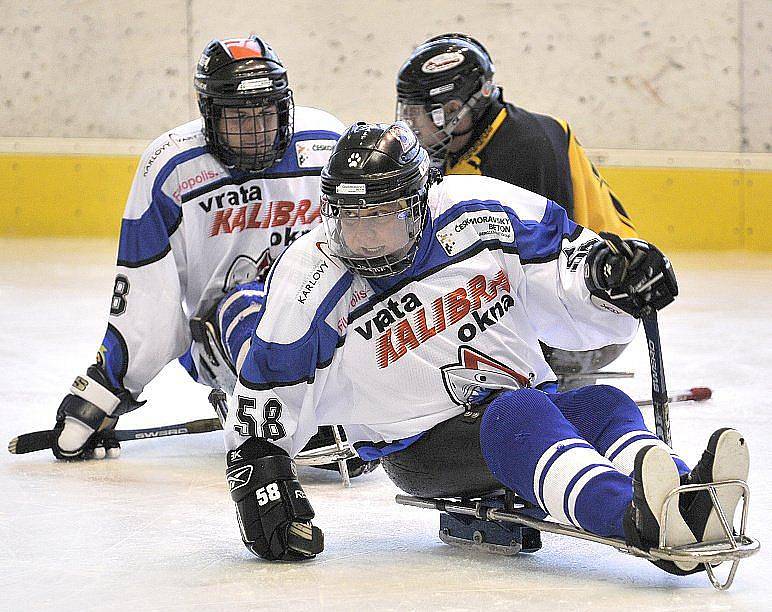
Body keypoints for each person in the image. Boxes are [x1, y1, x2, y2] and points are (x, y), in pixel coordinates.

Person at [216, 121, 749, 577]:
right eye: (350, 218)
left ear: (421, 199)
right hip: (419, 449)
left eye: (382, 216)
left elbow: (568, 266)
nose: (367, 238)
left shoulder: (484, 210)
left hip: (519, 405)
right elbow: (271, 381)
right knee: (518, 415)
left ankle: (685, 499)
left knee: (603, 403)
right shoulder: (310, 276)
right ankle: (633, 516)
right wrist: (261, 469)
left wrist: (608, 276)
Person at [50, 35, 373, 477]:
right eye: (239, 117)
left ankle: (344, 398)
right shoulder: (171, 167)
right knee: (247, 305)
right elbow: (147, 296)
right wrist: (106, 387)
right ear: (209, 114)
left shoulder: (326, 144)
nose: (256, 131)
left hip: (321, 319)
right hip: (225, 334)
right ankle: (282, 408)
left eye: (265, 113)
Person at [395, 33, 637, 381]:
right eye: (407, 112)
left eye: (419, 114)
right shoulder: (459, 146)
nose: (411, 125)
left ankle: (564, 395)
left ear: (456, 110)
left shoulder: (526, 149)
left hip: (599, 309)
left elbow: (552, 271)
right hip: (562, 299)